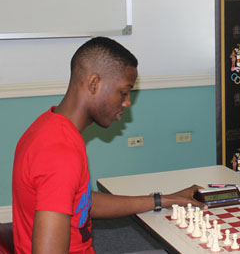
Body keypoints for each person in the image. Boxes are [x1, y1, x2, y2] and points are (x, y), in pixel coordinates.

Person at [12, 37, 205, 254]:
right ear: (94, 83)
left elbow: (82, 201)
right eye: (123, 92)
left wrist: (163, 199)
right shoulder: (61, 152)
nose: (127, 102)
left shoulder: (48, 126)